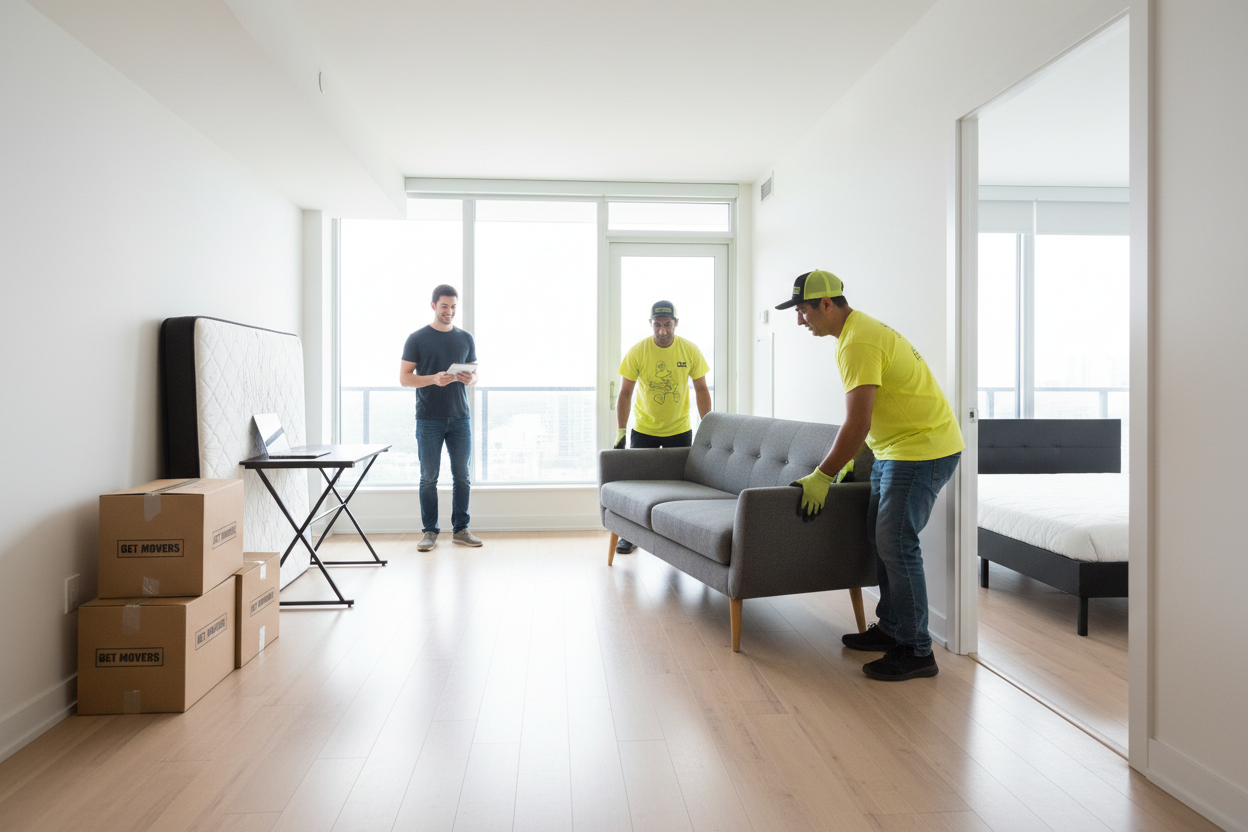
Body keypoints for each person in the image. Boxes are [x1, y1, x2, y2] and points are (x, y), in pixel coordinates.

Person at [776, 270, 963, 681]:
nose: (799, 320)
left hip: (920, 450)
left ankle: (917, 651)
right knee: (881, 540)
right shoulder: (854, 334)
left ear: (826, 303)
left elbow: (857, 421)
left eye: (803, 310)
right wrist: (844, 462)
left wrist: (822, 475)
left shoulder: (857, 341)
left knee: (897, 544)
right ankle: (894, 628)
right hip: (894, 449)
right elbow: (869, 418)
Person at [613, 300, 712, 555]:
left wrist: (708, 427)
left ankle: (677, 535)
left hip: (679, 429)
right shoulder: (638, 351)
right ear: (650, 324)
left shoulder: (689, 350)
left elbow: (701, 389)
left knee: (680, 486)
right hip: (644, 429)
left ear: (676, 323)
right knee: (636, 485)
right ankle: (629, 535)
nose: (663, 331)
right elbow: (625, 393)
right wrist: (621, 432)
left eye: (668, 325)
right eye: (657, 325)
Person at [400, 284, 482, 551]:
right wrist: (433, 379)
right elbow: (404, 378)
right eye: (445, 306)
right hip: (428, 419)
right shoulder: (417, 338)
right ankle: (430, 532)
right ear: (434, 306)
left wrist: (471, 378)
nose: (450, 311)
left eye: (454, 306)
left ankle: (461, 529)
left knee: (463, 476)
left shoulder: (466, 338)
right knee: (429, 477)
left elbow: (475, 374)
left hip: (460, 418)